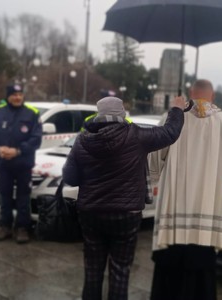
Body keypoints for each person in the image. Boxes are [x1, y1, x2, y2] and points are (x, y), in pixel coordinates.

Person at [63, 96, 186, 300]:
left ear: (98, 113)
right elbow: (170, 133)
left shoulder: (82, 139)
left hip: (90, 213)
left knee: (92, 270)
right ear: (122, 113)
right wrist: (176, 110)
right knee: (120, 271)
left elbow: (70, 178)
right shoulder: (136, 135)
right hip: (126, 214)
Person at [149, 79, 222, 300]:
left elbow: (152, 161)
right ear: (213, 97)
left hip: (173, 216)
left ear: (190, 93)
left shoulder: (170, 118)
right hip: (206, 219)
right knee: (200, 284)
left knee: (167, 283)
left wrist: (155, 177)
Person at [0, 85, 42, 244]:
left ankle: (22, 228)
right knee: (5, 195)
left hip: (23, 163)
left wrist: (17, 151)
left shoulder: (32, 114)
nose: (17, 97)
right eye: (14, 94)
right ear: (8, 96)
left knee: (23, 196)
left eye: (20, 94)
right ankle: (4, 226)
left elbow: (36, 139)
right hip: (3, 162)